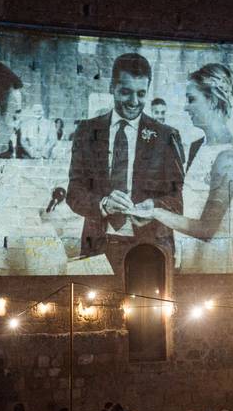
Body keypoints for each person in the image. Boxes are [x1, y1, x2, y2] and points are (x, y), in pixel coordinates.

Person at [151, 62, 233, 274]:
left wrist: (156, 213)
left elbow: (207, 229)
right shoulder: (201, 147)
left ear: (213, 101)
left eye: (192, 99)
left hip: (213, 262)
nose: (186, 107)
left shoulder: (229, 156)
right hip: (191, 255)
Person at [66, 52, 184, 261]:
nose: (134, 101)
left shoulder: (167, 136)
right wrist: (102, 205)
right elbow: (74, 192)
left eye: (141, 93)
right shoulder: (86, 130)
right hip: (98, 246)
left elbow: (177, 201)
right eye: (126, 92)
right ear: (112, 87)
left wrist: (154, 208)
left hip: (152, 249)